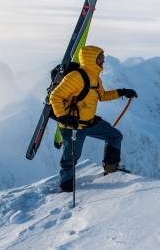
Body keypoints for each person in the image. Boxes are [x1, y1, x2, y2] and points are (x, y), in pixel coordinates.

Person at [49, 45, 137, 192]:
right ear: (91, 59)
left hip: (89, 122)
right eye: (100, 57)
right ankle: (66, 185)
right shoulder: (76, 77)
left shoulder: (95, 78)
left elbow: (102, 96)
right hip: (73, 125)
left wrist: (122, 92)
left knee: (115, 136)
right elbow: (55, 96)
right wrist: (63, 117)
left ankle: (111, 168)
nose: (103, 60)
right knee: (71, 158)